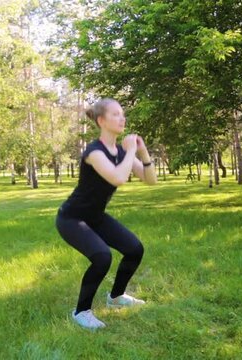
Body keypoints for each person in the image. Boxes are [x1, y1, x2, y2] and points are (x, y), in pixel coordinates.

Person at [54, 98, 158, 330]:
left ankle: (116, 297)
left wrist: (142, 151)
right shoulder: (94, 152)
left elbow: (151, 180)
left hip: (95, 216)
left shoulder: (122, 153)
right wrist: (130, 151)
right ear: (101, 121)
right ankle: (81, 312)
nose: (122, 118)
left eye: (123, 114)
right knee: (102, 257)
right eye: (115, 114)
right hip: (71, 218)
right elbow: (117, 178)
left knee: (134, 249)